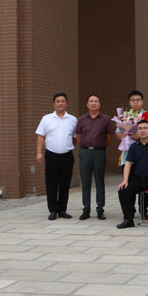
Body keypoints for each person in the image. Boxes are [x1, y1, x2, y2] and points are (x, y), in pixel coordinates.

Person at [117, 120, 148, 230]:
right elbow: (128, 163)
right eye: (140, 128)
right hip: (137, 180)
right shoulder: (134, 146)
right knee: (122, 190)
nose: (142, 130)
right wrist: (125, 180)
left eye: (145, 128)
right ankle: (128, 219)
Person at [36, 92, 78, 220]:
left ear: (66, 103)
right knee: (51, 184)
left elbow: (75, 138)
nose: (60, 103)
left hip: (67, 156)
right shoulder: (46, 118)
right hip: (51, 155)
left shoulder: (73, 120)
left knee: (65, 184)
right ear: (54, 104)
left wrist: (68, 146)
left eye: (63, 101)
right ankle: (53, 210)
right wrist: (39, 152)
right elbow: (41, 136)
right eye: (58, 101)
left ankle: (62, 210)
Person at [115, 90, 148, 219]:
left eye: (138, 100)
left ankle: (144, 211)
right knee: (128, 183)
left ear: (142, 101)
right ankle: (129, 211)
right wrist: (124, 134)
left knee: (144, 183)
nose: (135, 102)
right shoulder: (124, 116)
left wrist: (139, 135)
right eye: (133, 100)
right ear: (129, 102)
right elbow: (117, 133)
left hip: (143, 156)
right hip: (127, 155)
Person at [75, 94, 114, 220]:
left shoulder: (105, 119)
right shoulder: (81, 119)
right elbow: (78, 136)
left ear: (99, 104)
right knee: (85, 181)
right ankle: (86, 209)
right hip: (85, 152)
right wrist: (85, 146)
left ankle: (100, 209)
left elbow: (109, 136)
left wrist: (101, 146)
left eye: (96, 101)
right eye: (91, 101)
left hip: (99, 152)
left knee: (99, 181)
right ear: (87, 104)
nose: (93, 103)